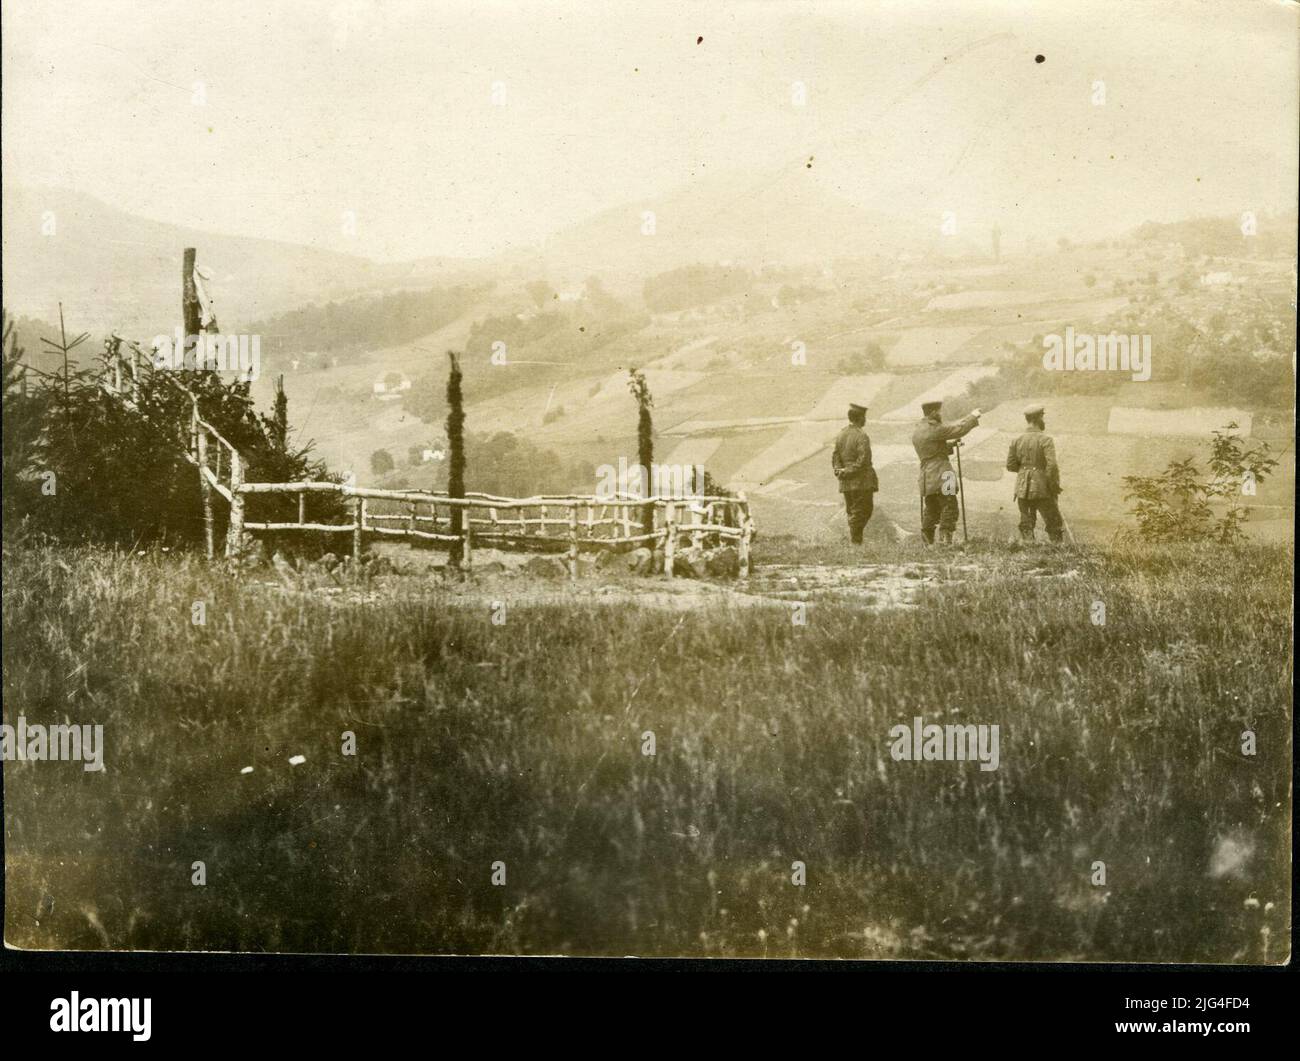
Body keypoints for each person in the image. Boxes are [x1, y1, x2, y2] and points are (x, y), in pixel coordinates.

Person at [911, 400, 980, 544]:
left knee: (931, 509)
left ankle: (927, 543)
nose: (940, 414)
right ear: (933, 412)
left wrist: (950, 445)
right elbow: (959, 429)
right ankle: (945, 542)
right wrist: (973, 416)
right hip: (944, 474)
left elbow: (931, 449)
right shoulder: (935, 428)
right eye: (938, 411)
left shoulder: (918, 429)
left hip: (926, 476)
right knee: (950, 506)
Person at [1006, 402, 1065, 543]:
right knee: (1053, 521)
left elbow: (1010, 465)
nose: (1043, 420)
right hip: (1042, 487)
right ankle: (1057, 549)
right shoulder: (1046, 440)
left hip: (1022, 488)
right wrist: (1053, 486)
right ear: (1038, 418)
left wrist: (1025, 470)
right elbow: (1052, 466)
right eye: (1042, 417)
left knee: (1026, 522)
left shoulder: (1016, 440)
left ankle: (1028, 547)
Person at [831, 402, 878, 544]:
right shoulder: (861, 435)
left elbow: (835, 456)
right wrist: (849, 471)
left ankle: (856, 542)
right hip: (861, 481)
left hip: (845, 481)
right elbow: (863, 459)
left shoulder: (841, 434)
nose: (865, 420)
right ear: (860, 418)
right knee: (864, 510)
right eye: (864, 417)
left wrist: (840, 471)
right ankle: (856, 542)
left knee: (852, 510)